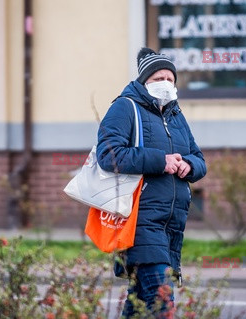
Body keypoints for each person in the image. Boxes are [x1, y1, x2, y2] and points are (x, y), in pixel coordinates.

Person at [96, 47, 207, 317]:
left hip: (170, 227)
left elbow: (200, 159)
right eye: (158, 79)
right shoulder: (125, 106)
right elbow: (109, 154)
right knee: (162, 303)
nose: (166, 85)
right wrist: (162, 161)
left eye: (170, 79)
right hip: (139, 223)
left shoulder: (175, 115)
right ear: (144, 82)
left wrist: (188, 165)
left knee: (140, 305)